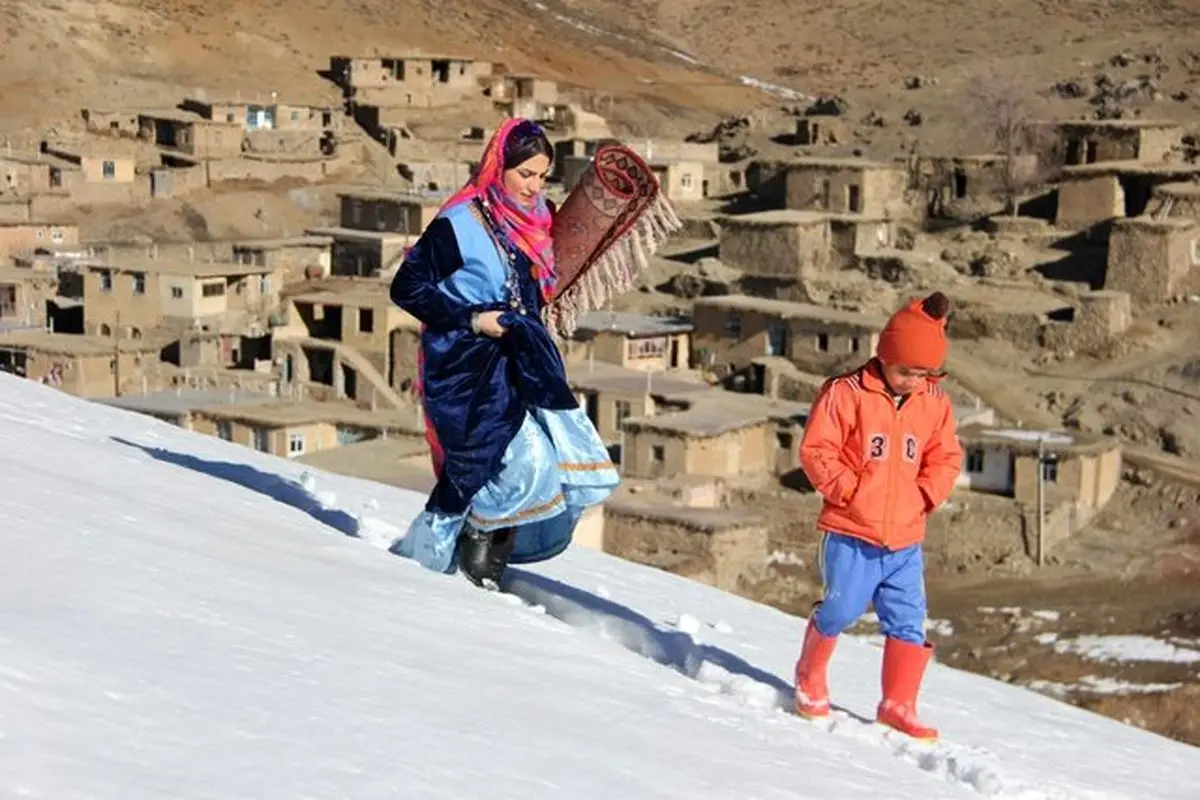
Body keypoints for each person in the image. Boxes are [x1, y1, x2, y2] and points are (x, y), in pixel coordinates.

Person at [389, 118, 619, 589]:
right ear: (499, 167)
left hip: (518, 359)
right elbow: (407, 287)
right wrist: (474, 319)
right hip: (465, 364)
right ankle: (452, 562)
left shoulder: (538, 220)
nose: (534, 187)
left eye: (542, 176)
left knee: (536, 459)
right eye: (525, 174)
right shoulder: (459, 223)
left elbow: (537, 286)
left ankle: (478, 559)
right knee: (505, 459)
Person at [792, 291, 963, 741]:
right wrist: (849, 491)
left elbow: (945, 457)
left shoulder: (934, 401)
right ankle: (809, 677)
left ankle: (898, 704)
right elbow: (817, 450)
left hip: (905, 539)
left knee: (908, 620)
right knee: (841, 609)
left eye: (922, 374)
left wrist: (923, 495)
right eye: (905, 371)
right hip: (852, 533)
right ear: (884, 356)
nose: (912, 381)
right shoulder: (845, 393)